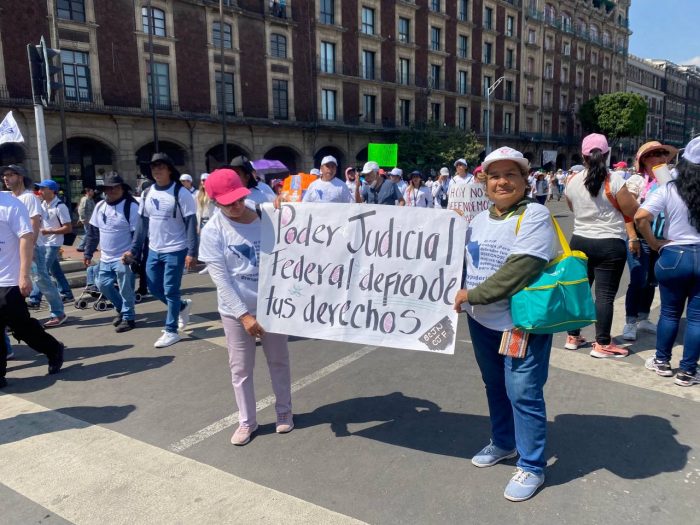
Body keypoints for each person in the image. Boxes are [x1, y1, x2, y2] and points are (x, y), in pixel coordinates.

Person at [453, 146, 556, 502]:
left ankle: (532, 465)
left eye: (510, 175)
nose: (501, 181)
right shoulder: (480, 219)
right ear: (484, 182)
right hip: (481, 322)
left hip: (520, 323)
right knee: (494, 385)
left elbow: (521, 268)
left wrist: (471, 296)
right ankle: (503, 443)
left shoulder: (535, 215)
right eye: (494, 175)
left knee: (524, 393)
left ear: (525, 181)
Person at [198, 168, 293, 444]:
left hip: (272, 305)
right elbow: (222, 280)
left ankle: (284, 412)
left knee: (279, 360)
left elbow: (295, 227)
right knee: (240, 369)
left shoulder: (264, 213)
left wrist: (285, 205)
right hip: (236, 311)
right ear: (216, 202)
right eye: (229, 203)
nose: (237, 206)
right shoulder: (213, 231)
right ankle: (247, 421)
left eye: (239, 199)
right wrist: (243, 316)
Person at [564, 133, 639, 357]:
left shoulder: (572, 180)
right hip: (609, 243)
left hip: (579, 240)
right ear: (606, 155)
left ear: (583, 156)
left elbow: (571, 208)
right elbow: (632, 210)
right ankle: (602, 343)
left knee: (579, 290)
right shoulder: (615, 180)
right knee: (604, 295)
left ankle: (572, 336)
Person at [635, 136, 700, 387]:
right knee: (696, 318)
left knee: (670, 312)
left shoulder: (669, 188)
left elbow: (641, 217)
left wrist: (653, 243)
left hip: (674, 254)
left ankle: (662, 361)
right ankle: (687, 371)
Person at [123, 153, 198, 348]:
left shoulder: (181, 193)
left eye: (161, 167)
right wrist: (134, 250)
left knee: (171, 290)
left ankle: (171, 330)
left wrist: (192, 251)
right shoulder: (147, 193)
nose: (157, 170)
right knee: (154, 288)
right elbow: (142, 224)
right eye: (154, 167)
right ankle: (182, 306)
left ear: (170, 170)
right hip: (154, 249)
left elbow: (191, 222)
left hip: (176, 248)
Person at [0, 190, 65, 389]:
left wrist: (24, 274)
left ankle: (53, 348)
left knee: (21, 326)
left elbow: (26, 238)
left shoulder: (10, 205)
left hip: (9, 278)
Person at [621, 141, 678, 341]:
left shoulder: (668, 179)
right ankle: (630, 321)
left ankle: (643, 318)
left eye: (664, 154)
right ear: (645, 160)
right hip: (640, 238)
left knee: (652, 281)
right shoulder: (636, 181)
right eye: (657, 154)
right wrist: (633, 237)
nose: (662, 158)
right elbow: (627, 213)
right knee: (638, 279)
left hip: (661, 238)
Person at [2, 165, 67, 327]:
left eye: (10, 175)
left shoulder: (28, 197)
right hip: (13, 249)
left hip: (31, 247)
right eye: (4, 175)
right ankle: (14, 317)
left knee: (42, 280)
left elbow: (34, 223)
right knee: (14, 284)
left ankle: (58, 313)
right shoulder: (9, 197)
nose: (6, 178)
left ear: (20, 177)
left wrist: (30, 249)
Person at [83, 173, 140, 333]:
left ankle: (129, 318)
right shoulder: (100, 206)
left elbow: (138, 235)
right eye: (108, 188)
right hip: (105, 257)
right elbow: (93, 232)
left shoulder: (131, 207)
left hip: (124, 257)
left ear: (122, 189)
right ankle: (122, 309)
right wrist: (88, 253)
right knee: (102, 284)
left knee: (125, 288)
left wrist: (132, 254)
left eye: (115, 187)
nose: (112, 190)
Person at [31, 180, 75, 304]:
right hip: (43, 242)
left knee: (42, 270)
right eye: (40, 189)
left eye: (43, 189)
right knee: (55, 270)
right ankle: (67, 293)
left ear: (51, 190)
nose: (40, 191)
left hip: (54, 243)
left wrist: (49, 231)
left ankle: (35, 298)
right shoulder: (42, 204)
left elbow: (68, 228)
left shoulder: (60, 206)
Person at [76, 186, 96, 252]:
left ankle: (90, 246)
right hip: (87, 219)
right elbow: (81, 209)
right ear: (87, 192)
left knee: (91, 233)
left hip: (91, 219)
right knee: (88, 233)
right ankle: (81, 246)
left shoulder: (91, 199)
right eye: (91, 191)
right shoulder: (85, 199)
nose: (93, 192)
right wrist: (83, 218)